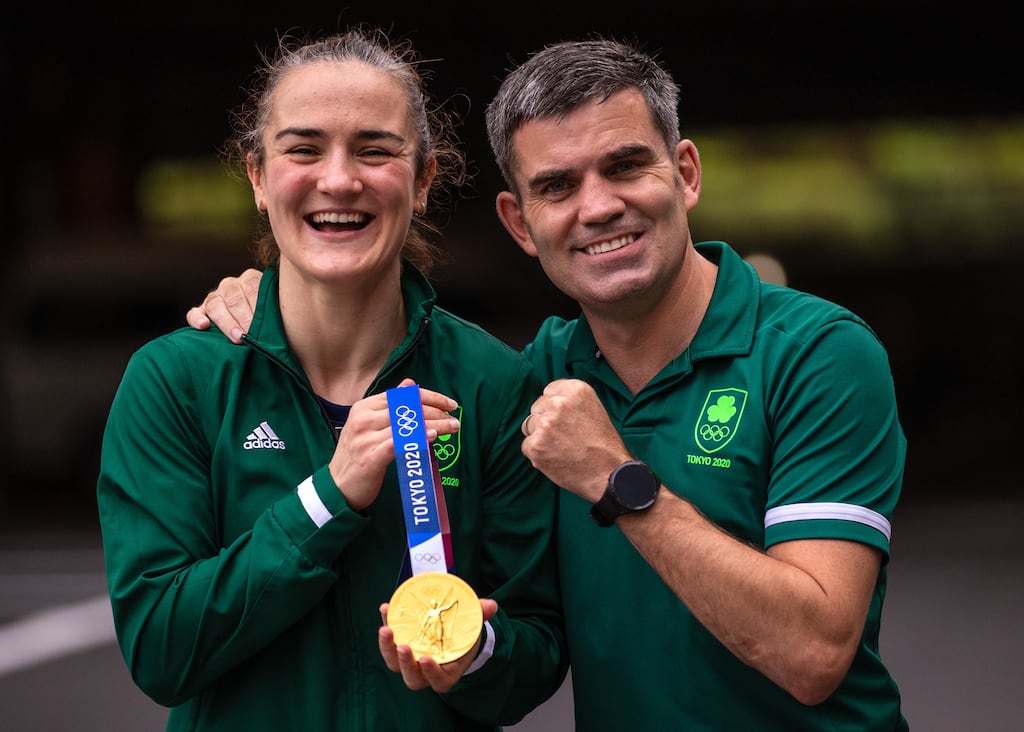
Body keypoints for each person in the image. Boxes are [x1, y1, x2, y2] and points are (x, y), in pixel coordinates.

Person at [186, 37, 909, 730]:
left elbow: (813, 654)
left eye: (626, 167)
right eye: (557, 186)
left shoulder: (817, 352)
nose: (597, 207)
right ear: (520, 224)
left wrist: (619, 480)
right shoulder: (531, 380)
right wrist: (283, 293)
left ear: (685, 174)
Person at [97, 28, 567, 732]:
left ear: (423, 180)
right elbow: (161, 650)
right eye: (304, 148)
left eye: (375, 150)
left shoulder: (492, 384)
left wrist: (470, 656)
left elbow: (536, 651)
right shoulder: (175, 381)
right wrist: (327, 499)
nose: (339, 179)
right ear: (257, 177)